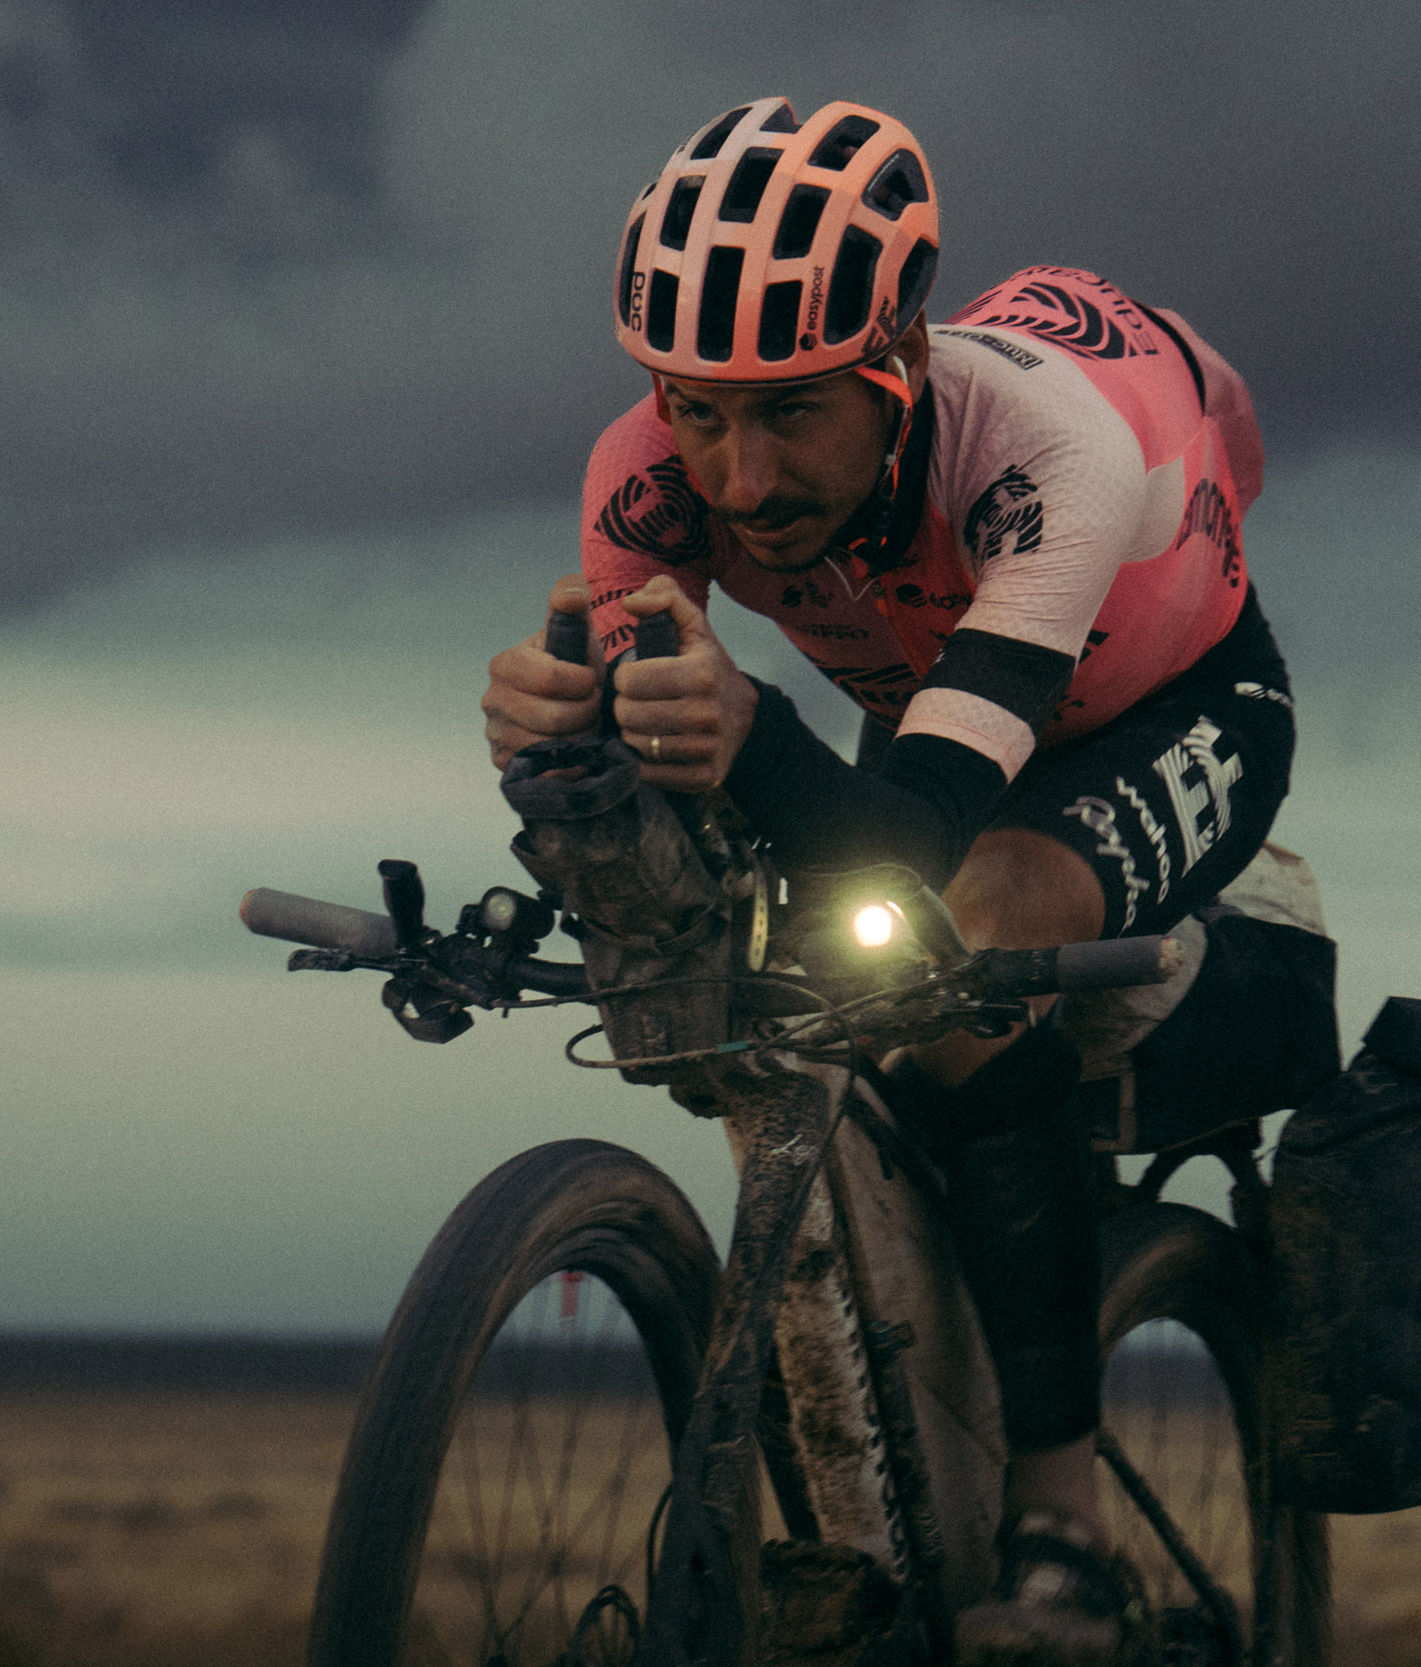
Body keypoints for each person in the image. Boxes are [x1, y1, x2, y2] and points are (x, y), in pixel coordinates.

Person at [481, 95, 1295, 1666]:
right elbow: (665, 777)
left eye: (790, 410)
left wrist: (750, 732)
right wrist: (559, 735)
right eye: (700, 410)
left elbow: (915, 822)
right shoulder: (641, 476)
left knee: (957, 938)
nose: (743, 470)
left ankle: (1067, 1517)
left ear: (897, 364)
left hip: (1160, 716)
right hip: (926, 705)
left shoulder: (1052, 456)